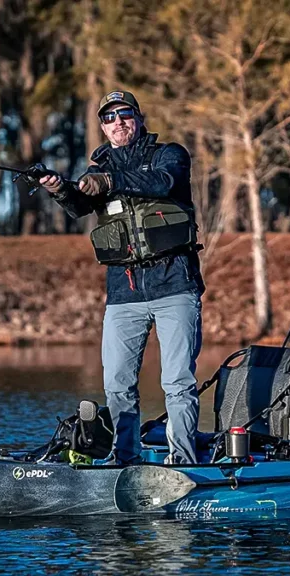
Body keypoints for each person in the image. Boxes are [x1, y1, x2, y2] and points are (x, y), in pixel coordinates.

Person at [39, 90, 205, 465]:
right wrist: (59, 189)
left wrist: (109, 181)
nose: (117, 123)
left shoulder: (169, 155)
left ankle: (183, 461)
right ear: (102, 126)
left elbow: (163, 183)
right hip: (123, 294)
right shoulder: (97, 169)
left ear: (138, 117)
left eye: (124, 114)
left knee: (177, 383)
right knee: (117, 385)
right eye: (109, 118)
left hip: (175, 286)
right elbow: (80, 206)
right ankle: (124, 459)